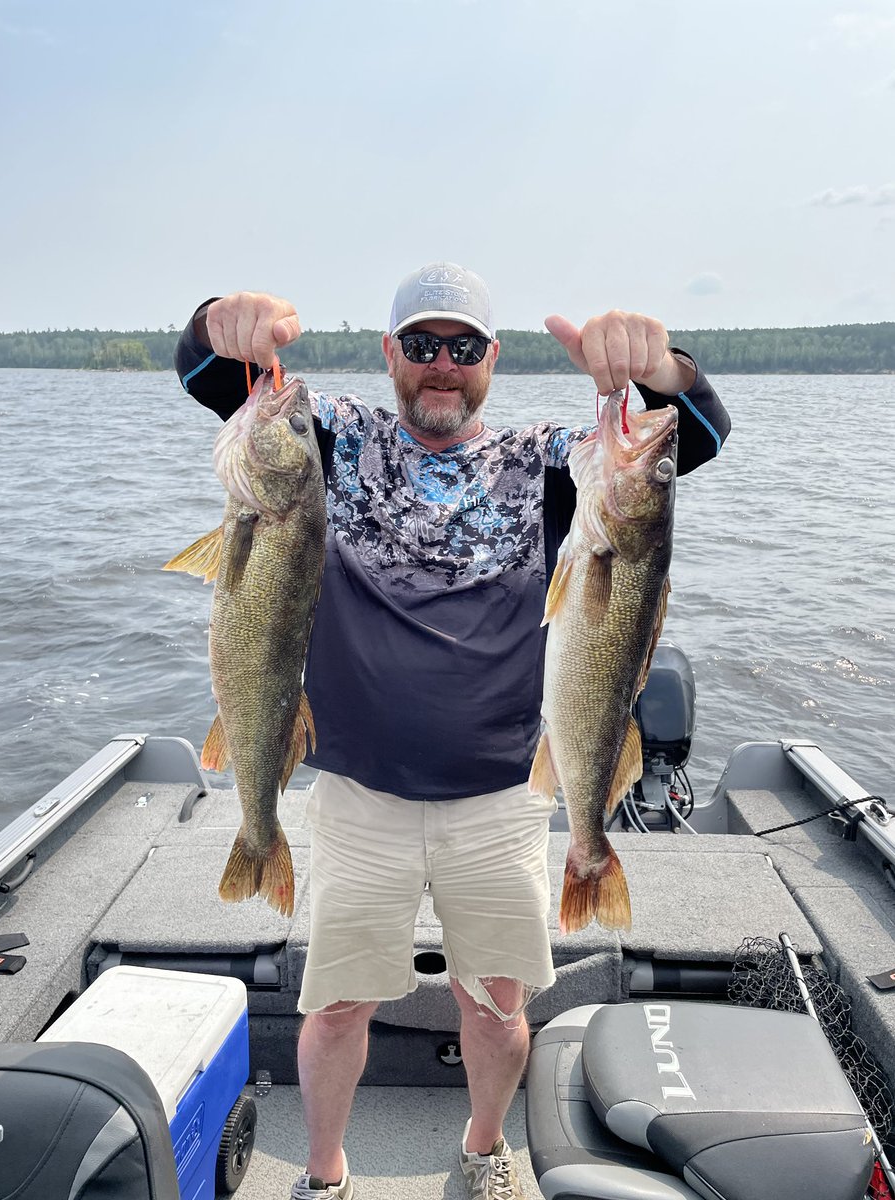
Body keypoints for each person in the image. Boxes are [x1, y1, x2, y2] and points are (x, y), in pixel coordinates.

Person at [174, 263, 731, 1200]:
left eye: (463, 347)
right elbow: (203, 373)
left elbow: (694, 442)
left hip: (502, 799)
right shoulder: (332, 440)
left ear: (491, 361)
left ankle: (483, 1151)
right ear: (391, 353)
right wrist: (221, 322)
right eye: (423, 344)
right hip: (358, 793)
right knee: (337, 1004)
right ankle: (324, 1175)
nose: (442, 364)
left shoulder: (549, 461)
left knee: (501, 1005)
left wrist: (664, 369)